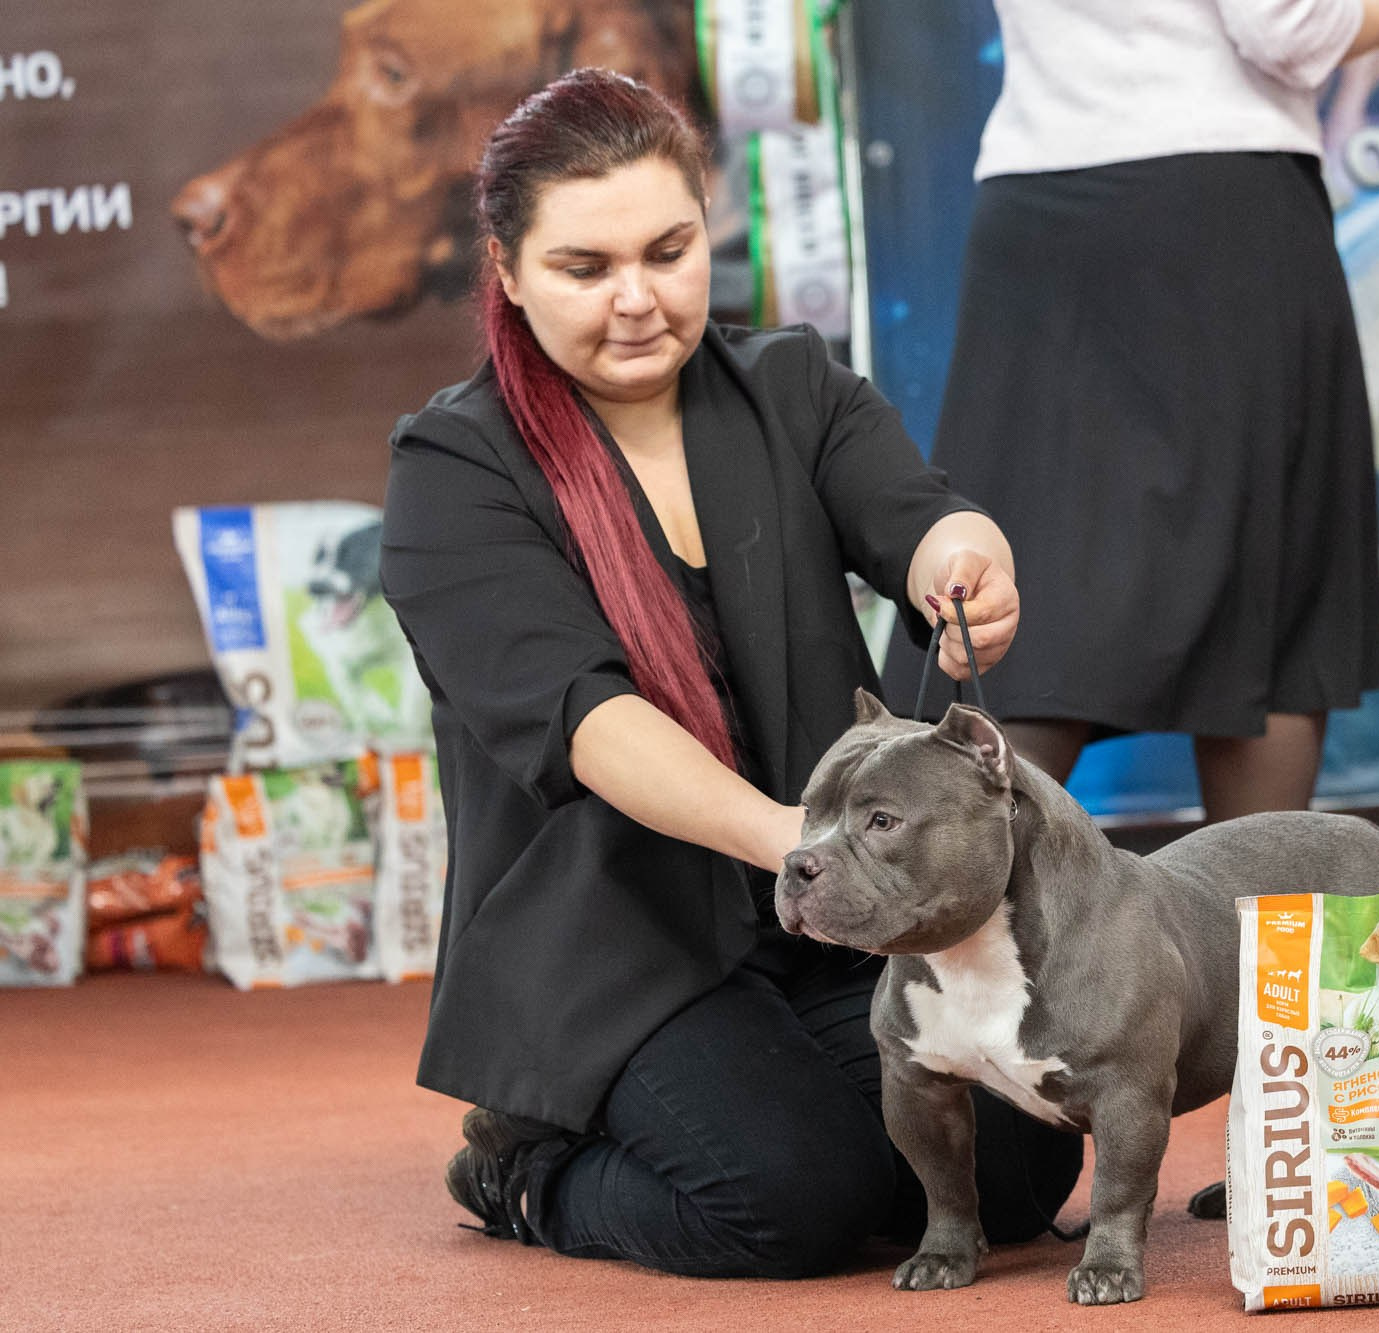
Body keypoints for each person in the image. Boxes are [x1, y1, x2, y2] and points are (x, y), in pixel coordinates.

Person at [378, 67, 1081, 1279]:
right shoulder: (452, 468)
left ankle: (802, 1102)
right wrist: (805, 848)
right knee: (788, 1202)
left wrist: (965, 566)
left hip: (819, 908)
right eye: (585, 268)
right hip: (609, 933)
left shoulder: (792, 384)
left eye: (669, 249)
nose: (639, 300)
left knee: (1019, 1172)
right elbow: (591, 723)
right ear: (503, 267)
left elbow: (919, 517)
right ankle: (522, 1166)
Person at [886, 0, 1379, 817]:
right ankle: (1257, 939)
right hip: (1216, 203)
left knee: (1026, 608)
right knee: (1266, 626)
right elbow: (1283, 20)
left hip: (1041, 198)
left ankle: (926, 925)